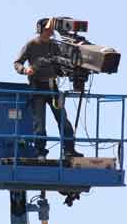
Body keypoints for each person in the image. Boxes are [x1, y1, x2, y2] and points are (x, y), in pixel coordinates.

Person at [14, 18, 83, 159]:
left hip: (52, 87)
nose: (50, 32)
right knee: (39, 124)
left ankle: (69, 150)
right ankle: (40, 152)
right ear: (40, 29)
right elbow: (17, 63)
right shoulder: (31, 44)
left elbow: (61, 63)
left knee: (63, 120)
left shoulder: (54, 45)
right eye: (47, 29)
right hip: (37, 87)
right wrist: (25, 70)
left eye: (51, 29)